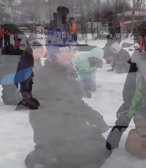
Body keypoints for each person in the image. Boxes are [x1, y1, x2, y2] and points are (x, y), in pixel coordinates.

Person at [25, 37, 109, 168]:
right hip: (55, 132)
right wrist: (46, 145)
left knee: (102, 147)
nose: (73, 54)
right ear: (56, 53)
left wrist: (96, 118)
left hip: (70, 126)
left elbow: (77, 102)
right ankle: (42, 154)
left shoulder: (67, 73)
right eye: (68, 50)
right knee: (88, 158)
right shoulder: (45, 76)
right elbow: (40, 114)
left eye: (74, 50)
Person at [106, 43, 146, 158]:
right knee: (137, 147)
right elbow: (131, 94)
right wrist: (119, 127)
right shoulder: (138, 61)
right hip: (143, 108)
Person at [14, 46, 40, 110]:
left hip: (26, 77)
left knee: (26, 90)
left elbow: (24, 68)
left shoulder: (27, 58)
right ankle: (27, 103)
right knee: (26, 90)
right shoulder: (27, 58)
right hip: (26, 77)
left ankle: (29, 104)